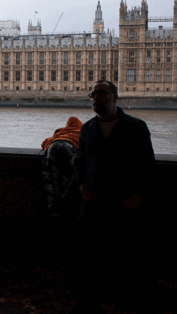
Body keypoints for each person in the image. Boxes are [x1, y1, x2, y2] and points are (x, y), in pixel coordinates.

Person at [72, 80, 156, 312]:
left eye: (101, 93)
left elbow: (147, 165)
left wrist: (139, 194)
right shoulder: (87, 128)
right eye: (92, 94)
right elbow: (79, 160)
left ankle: (126, 300)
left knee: (125, 254)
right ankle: (92, 299)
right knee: (91, 255)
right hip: (93, 203)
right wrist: (81, 185)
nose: (96, 98)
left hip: (124, 202)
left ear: (115, 97)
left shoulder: (136, 127)